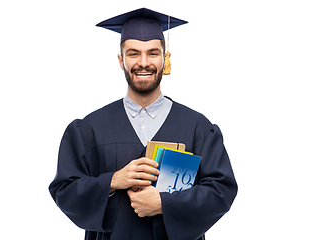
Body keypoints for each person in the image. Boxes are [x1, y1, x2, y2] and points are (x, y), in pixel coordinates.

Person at [49, 8, 237, 240]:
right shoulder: (89, 129)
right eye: (134, 54)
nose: (144, 63)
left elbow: (221, 191)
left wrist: (164, 204)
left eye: (153, 53)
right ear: (121, 60)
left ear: (164, 58)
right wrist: (113, 181)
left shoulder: (198, 128)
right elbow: (64, 191)